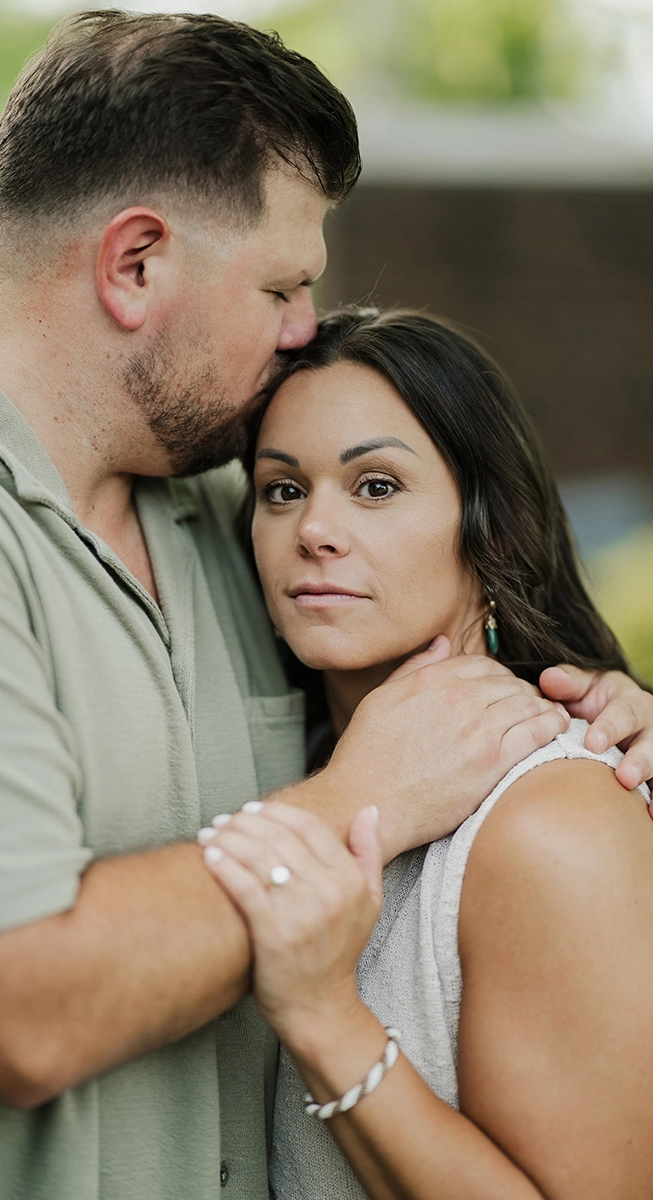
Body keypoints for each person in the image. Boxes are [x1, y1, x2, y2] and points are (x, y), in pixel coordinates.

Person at [0, 12, 653, 1198]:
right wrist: (370, 793)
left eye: (366, 487)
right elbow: (15, 1011)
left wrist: (608, 716)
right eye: (283, 285)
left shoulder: (223, 492)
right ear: (134, 264)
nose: (298, 333)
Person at [199, 308, 653, 1198]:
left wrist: (325, 1018)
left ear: (492, 534)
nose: (313, 530)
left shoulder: (550, 822)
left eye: (374, 487)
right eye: (282, 489)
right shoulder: (294, 768)